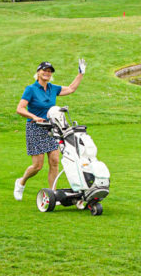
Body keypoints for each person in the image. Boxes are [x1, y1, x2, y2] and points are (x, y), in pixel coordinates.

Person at [13, 58, 86, 201]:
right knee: (37, 166)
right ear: (38, 72)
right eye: (44, 70)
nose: (47, 73)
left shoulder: (53, 88)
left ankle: (53, 194)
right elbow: (20, 109)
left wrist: (80, 74)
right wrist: (33, 117)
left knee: (54, 161)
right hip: (35, 128)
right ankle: (21, 182)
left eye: (49, 71)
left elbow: (71, 89)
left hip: (52, 128)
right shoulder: (31, 89)